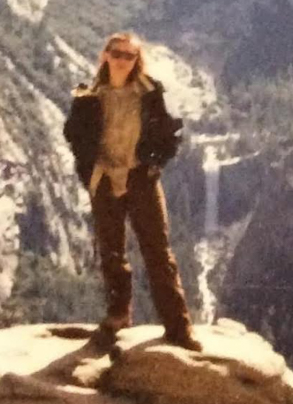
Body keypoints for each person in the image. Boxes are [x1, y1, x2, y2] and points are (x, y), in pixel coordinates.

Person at [62, 32, 201, 351]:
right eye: (116, 53)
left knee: (158, 252)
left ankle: (179, 327)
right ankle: (118, 315)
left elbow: (170, 132)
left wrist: (153, 165)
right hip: (104, 179)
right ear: (106, 55)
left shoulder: (151, 93)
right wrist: (89, 169)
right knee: (111, 251)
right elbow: (73, 133)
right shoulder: (88, 95)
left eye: (129, 55)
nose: (122, 59)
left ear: (137, 60)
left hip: (140, 178)